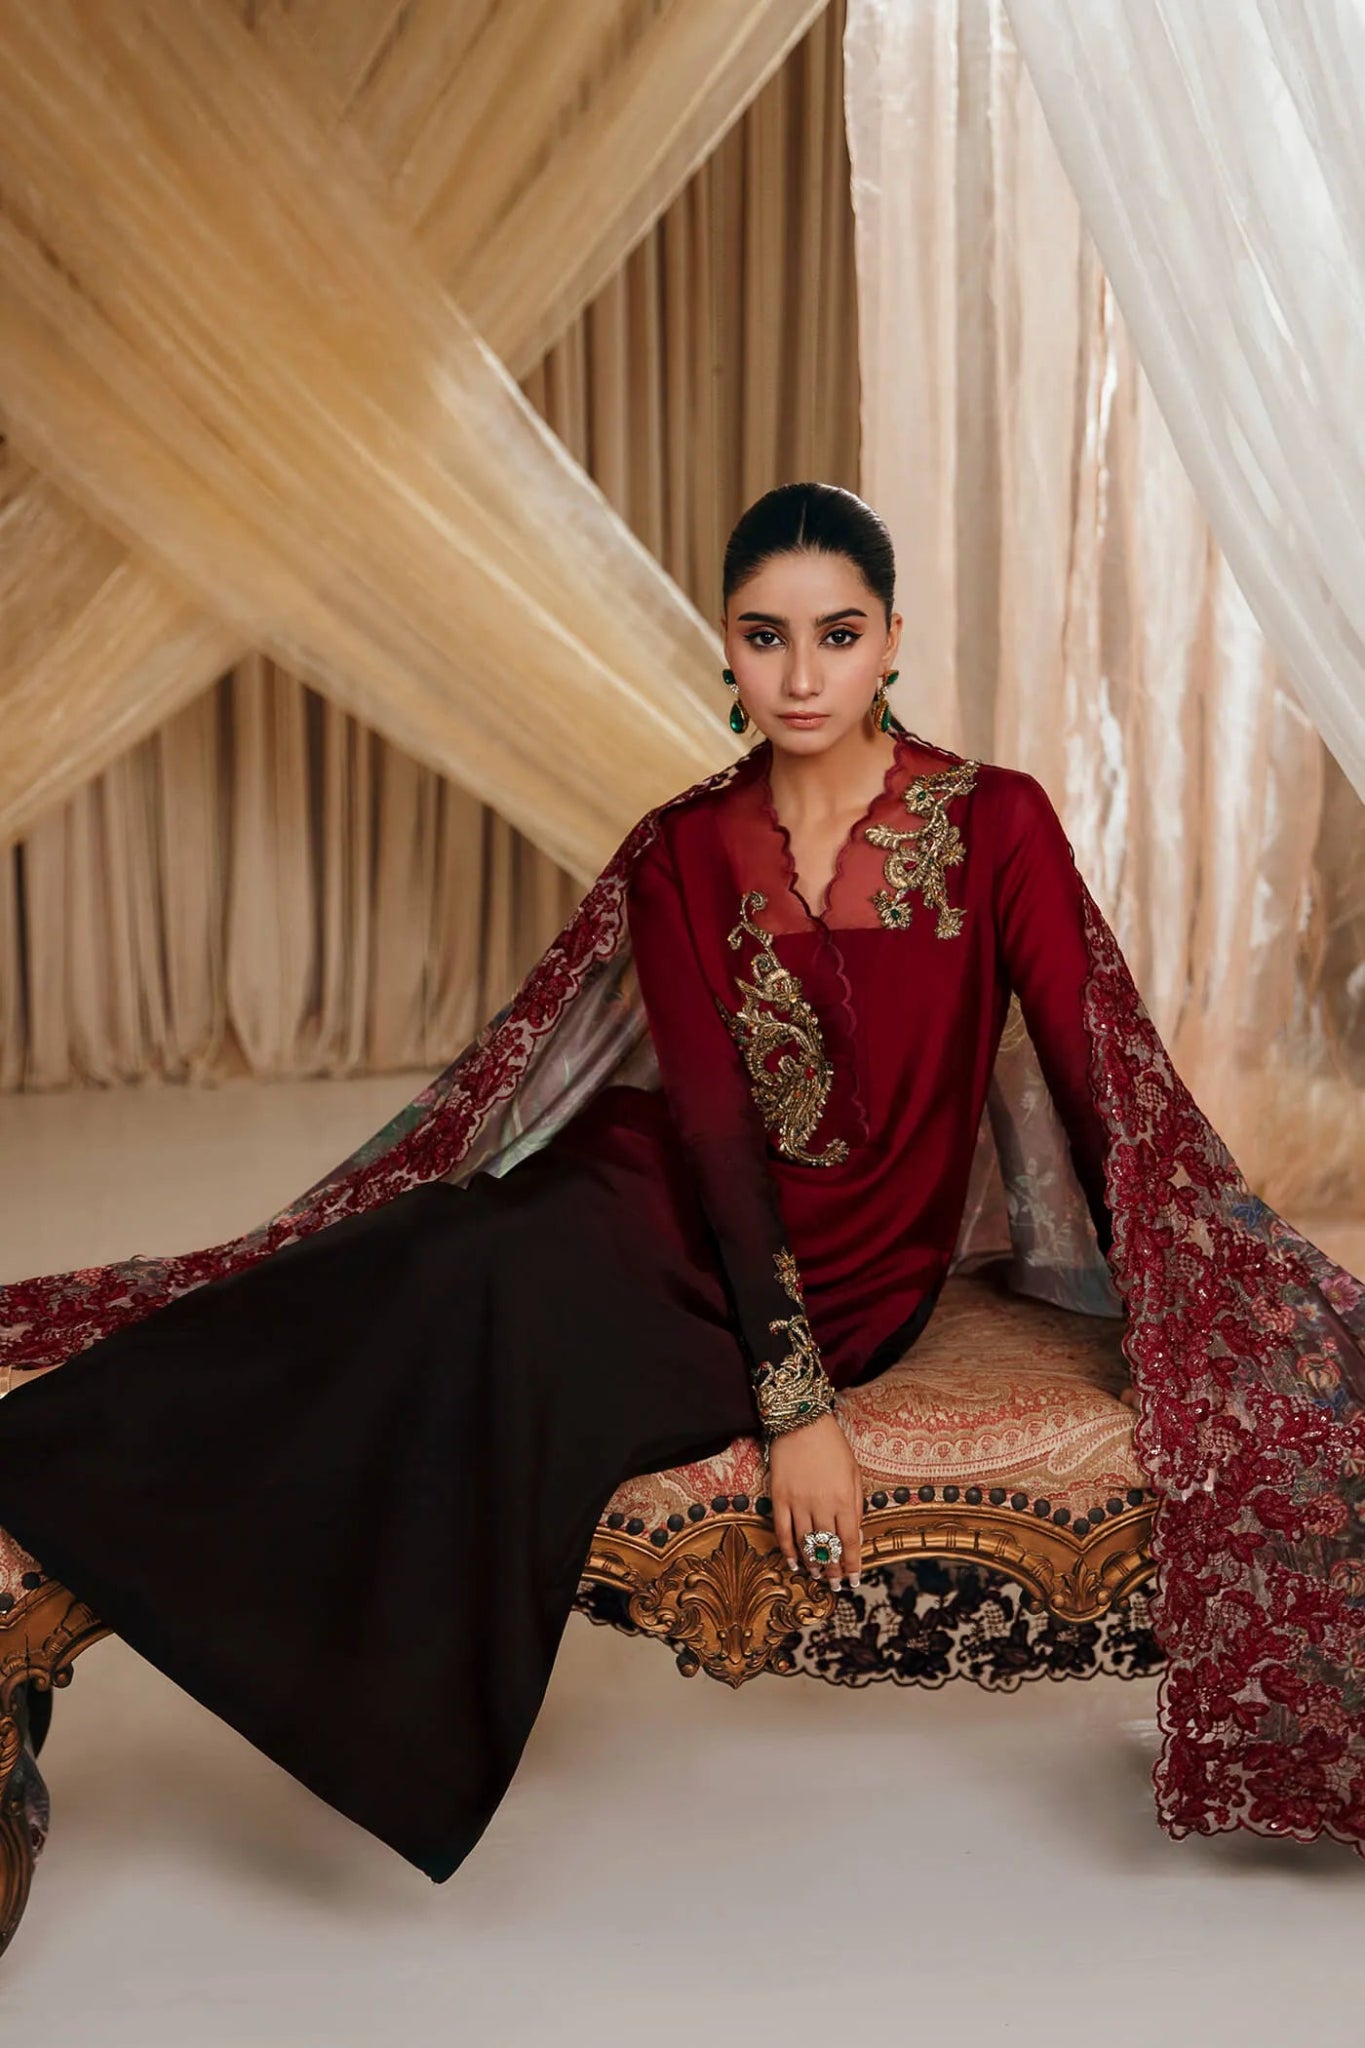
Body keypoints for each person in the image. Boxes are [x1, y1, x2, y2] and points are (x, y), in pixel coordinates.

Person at [1, 483, 1364, 1886]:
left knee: (474, 1292)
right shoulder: (684, 849)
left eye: (835, 635)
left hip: (854, 1273)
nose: (799, 673)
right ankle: (35, 1483)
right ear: (726, 645)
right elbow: (708, 1125)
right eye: (764, 637)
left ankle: (94, 1517)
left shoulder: (995, 822)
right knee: (427, 1249)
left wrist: (1190, 1297)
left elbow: (1100, 1084)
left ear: (890, 639)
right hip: (656, 1200)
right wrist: (793, 1406)